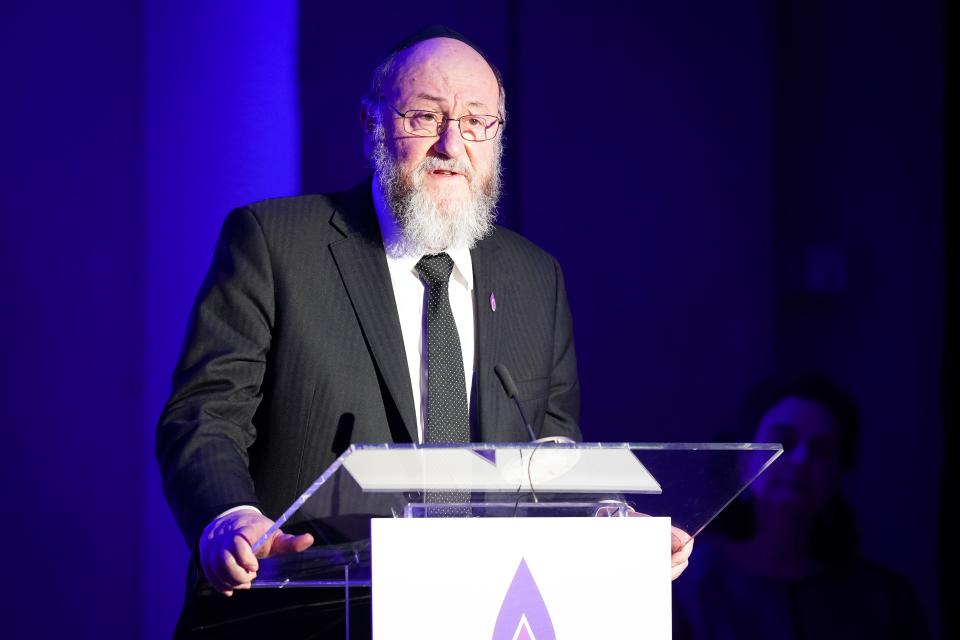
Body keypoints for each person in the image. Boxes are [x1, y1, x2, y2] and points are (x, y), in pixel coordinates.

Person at [157, 26, 692, 637]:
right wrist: (230, 516)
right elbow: (205, 414)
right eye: (424, 117)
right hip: (299, 614)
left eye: (475, 122)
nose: (450, 144)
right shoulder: (276, 242)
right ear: (371, 126)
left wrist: (609, 522)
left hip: (475, 616)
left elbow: (549, 455)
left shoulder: (534, 277)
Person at [672, 374, 927, 639]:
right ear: (745, 459)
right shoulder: (688, 584)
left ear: (839, 471)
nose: (801, 460)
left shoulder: (885, 598)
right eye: (784, 442)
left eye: (822, 450)